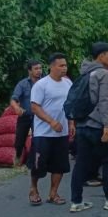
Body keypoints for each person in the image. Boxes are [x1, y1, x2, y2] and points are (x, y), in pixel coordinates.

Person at [69, 42, 108, 213]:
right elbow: (104, 102)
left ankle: (76, 201)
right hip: (97, 126)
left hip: (82, 125)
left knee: (81, 163)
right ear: (101, 56)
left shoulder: (85, 72)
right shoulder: (104, 74)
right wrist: (107, 126)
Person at [29, 53, 72, 206]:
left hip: (62, 132)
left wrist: (71, 123)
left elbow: (70, 106)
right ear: (51, 67)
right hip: (43, 132)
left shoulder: (68, 84)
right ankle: (34, 189)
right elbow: (35, 107)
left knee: (59, 165)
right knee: (38, 164)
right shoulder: (41, 85)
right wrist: (51, 121)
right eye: (61, 65)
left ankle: (53, 193)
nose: (64, 68)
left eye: (65, 65)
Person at [10, 59, 43, 166]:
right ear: (29, 71)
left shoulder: (45, 83)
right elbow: (14, 98)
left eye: (40, 68)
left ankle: (35, 161)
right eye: (36, 69)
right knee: (19, 140)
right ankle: (18, 156)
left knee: (38, 139)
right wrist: (16, 107)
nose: (39, 71)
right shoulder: (23, 84)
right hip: (25, 116)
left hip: (40, 116)